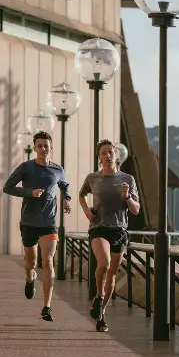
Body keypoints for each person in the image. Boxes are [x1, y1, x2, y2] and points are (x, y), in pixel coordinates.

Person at [2, 131, 72, 322]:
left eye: (46, 145)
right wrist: (29, 192)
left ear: (51, 147)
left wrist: (66, 199)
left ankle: (47, 307)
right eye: (39, 145)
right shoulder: (26, 167)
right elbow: (7, 187)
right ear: (35, 148)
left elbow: (64, 185)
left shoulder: (58, 169)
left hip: (49, 223)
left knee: (48, 261)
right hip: (29, 222)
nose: (43, 148)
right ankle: (29, 278)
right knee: (31, 262)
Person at [79, 139, 140, 332]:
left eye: (110, 152)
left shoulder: (127, 179)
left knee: (111, 275)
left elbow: (136, 210)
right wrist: (87, 212)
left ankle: (102, 313)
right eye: (103, 153)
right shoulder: (93, 178)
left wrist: (128, 196)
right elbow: (81, 195)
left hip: (119, 230)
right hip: (98, 227)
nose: (107, 155)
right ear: (99, 157)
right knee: (103, 264)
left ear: (116, 155)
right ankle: (98, 295)